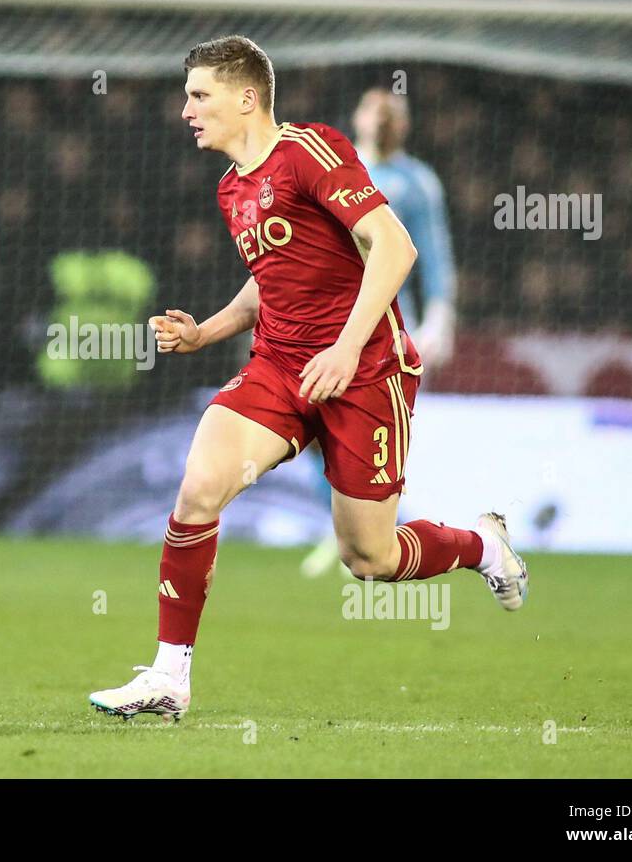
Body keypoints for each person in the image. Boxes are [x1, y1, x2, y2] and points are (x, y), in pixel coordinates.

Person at [88, 36, 526, 721]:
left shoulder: (309, 150)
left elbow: (396, 245)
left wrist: (349, 350)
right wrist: (206, 331)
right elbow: (271, 283)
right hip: (281, 367)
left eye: (199, 96)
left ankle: (482, 546)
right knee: (200, 485)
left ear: (246, 98)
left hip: (367, 371)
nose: (186, 111)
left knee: (369, 558)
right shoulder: (233, 187)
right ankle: (170, 675)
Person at [300, 87, 457, 578]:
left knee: (370, 439)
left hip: (382, 331)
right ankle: (353, 534)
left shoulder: (417, 184)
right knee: (307, 429)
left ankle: (378, 541)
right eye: (375, 112)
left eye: (393, 114)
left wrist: (439, 317)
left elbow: (433, 254)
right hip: (320, 324)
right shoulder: (333, 170)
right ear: (359, 118)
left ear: (404, 125)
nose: (384, 121)